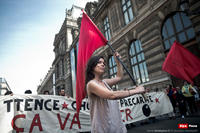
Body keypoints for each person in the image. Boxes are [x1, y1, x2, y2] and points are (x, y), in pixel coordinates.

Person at [85, 52, 145, 133]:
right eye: (99, 62)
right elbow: (112, 95)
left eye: (103, 63)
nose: (103, 64)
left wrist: (118, 62)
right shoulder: (91, 84)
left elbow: (119, 77)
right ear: (92, 66)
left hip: (116, 126)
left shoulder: (105, 82)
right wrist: (137, 91)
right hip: (103, 129)